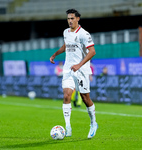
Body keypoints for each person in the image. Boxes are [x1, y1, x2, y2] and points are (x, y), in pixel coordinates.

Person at [50, 8, 98, 139]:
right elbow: (66, 46)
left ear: (78, 19)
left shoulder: (84, 34)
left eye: (72, 18)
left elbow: (92, 52)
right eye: (68, 19)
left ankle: (93, 123)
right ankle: (68, 126)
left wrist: (79, 65)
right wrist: (55, 54)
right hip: (68, 69)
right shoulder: (66, 32)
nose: (70, 21)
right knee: (67, 95)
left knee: (85, 98)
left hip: (81, 70)